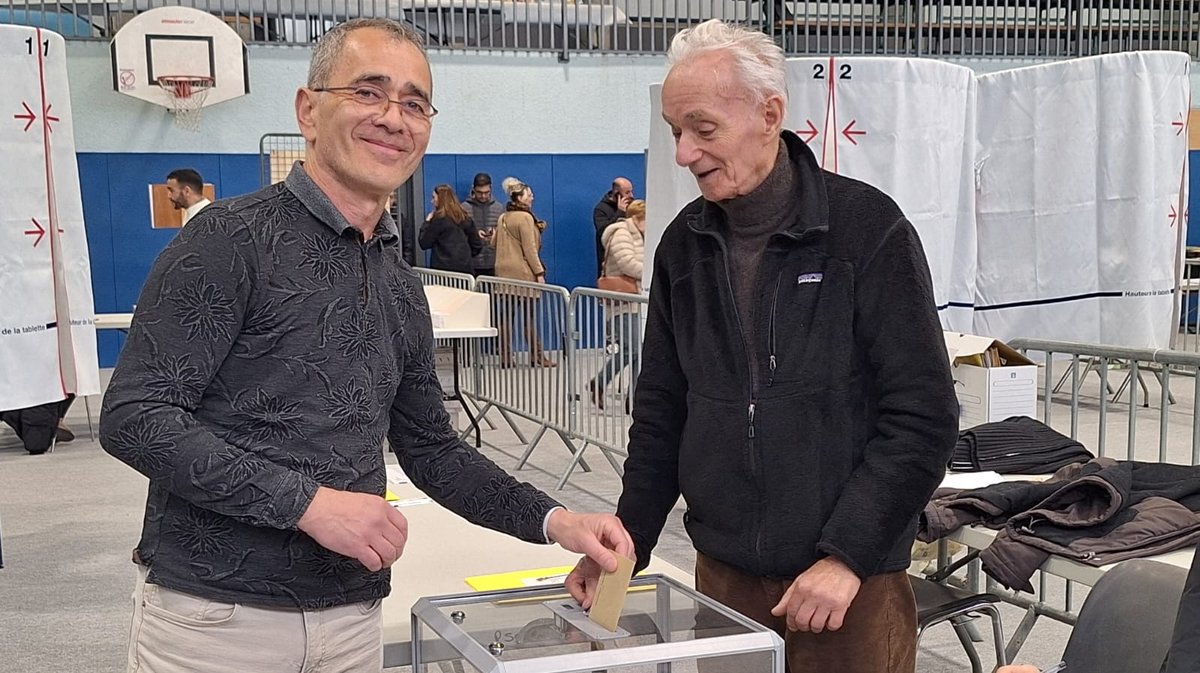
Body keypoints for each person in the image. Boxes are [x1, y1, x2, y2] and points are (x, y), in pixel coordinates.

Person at [100, 18, 631, 673]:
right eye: (368, 92)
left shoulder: (399, 284)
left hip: (351, 618)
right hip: (218, 619)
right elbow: (135, 416)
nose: (393, 117)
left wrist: (555, 519)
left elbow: (431, 450)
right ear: (308, 110)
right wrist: (308, 504)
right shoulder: (227, 241)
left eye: (414, 102)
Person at [565, 19, 958, 673]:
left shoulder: (866, 231)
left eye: (703, 129)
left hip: (847, 589)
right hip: (727, 584)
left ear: (770, 113)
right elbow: (663, 411)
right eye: (674, 132)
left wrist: (848, 554)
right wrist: (625, 542)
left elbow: (923, 416)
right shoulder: (682, 246)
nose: (684, 153)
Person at [491, 176, 556, 368]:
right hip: (522, 272)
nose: (532, 197)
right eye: (529, 194)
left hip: (503, 272)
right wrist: (539, 272)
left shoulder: (503, 217)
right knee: (528, 316)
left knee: (506, 316)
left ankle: (504, 357)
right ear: (519, 198)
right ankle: (536, 355)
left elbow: (493, 243)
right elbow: (530, 249)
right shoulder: (526, 218)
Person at [588, 199, 646, 412]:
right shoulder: (622, 234)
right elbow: (627, 264)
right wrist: (650, 270)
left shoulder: (634, 233)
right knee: (633, 349)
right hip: (624, 300)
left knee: (636, 350)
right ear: (638, 218)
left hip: (634, 299)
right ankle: (603, 384)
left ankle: (633, 396)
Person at [420, 183, 481, 274]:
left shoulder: (438, 220)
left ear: (440, 199)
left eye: (434, 197)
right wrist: (465, 256)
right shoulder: (465, 218)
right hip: (465, 270)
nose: (432, 201)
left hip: (443, 271)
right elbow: (477, 244)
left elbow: (424, 243)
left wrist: (427, 222)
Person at [462, 172, 504, 276]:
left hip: (494, 262)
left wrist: (495, 234)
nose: (483, 196)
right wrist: (474, 235)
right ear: (473, 189)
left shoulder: (499, 208)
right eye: (479, 192)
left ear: (491, 188)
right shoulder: (464, 208)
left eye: (486, 192)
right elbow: (458, 235)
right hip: (472, 263)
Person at [592, 177, 633, 275]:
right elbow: (604, 231)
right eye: (627, 193)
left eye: (631, 191)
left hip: (628, 258)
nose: (631, 195)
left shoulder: (632, 207)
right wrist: (620, 213)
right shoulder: (600, 209)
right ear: (617, 194)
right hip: (610, 264)